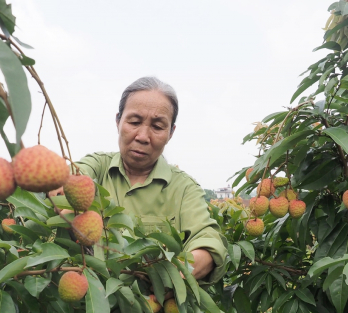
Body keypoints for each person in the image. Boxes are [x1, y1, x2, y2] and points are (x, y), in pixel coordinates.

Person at [55, 76, 227, 283]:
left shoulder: (184, 189)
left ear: (171, 133)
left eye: (157, 126)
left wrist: (172, 275)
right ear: (118, 121)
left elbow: (207, 242)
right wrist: (59, 187)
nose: (143, 136)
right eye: (134, 122)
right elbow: (72, 178)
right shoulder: (98, 166)